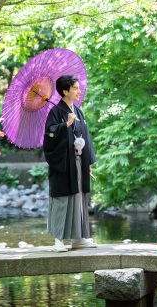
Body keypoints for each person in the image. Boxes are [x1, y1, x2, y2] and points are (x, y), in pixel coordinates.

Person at [43, 74, 97, 252]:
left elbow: (85, 136)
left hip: (79, 162)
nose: (79, 91)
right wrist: (65, 125)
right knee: (62, 198)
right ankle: (58, 239)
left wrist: (87, 162)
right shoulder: (55, 112)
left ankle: (78, 238)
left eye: (78, 88)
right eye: (75, 88)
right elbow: (49, 137)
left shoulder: (78, 111)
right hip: (63, 163)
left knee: (79, 198)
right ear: (65, 91)